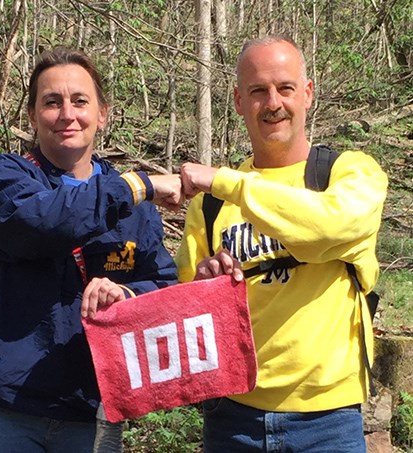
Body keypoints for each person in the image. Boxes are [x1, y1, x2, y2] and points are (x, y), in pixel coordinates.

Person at [0, 46, 182, 452]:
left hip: (90, 406)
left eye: (80, 101)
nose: (67, 114)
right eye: (52, 102)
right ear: (32, 115)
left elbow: (162, 285)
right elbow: (39, 221)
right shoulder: (3, 177)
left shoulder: (136, 210)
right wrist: (134, 186)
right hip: (4, 406)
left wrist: (126, 295)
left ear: (103, 113)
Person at [177, 35, 388, 452]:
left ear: (307, 94)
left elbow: (327, 228)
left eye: (285, 88)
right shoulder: (211, 205)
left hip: (328, 421)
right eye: (258, 91)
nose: (273, 102)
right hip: (233, 417)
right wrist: (207, 287)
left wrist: (225, 180)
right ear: (239, 101)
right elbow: (189, 316)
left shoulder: (347, 175)